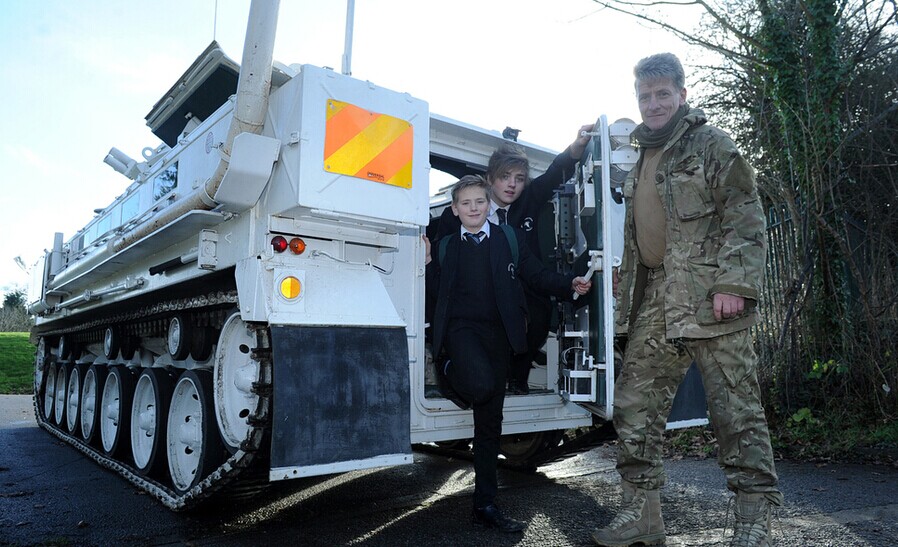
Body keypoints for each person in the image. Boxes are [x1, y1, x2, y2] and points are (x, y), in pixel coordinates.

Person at [591, 53, 783, 547]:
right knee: (633, 403)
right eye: (645, 96)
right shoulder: (643, 155)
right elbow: (647, 230)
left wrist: (734, 284)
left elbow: (745, 212)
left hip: (711, 295)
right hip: (657, 296)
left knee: (735, 408)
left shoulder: (711, 144)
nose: (653, 104)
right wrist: (627, 277)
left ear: (682, 94)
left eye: (662, 94)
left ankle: (754, 522)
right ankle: (643, 514)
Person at [425, 175, 591, 533]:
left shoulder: (509, 239)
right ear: (454, 209)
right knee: (481, 386)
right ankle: (447, 370)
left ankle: (484, 505)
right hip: (461, 332)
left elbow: (535, 274)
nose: (473, 208)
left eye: (479, 202)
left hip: (498, 335)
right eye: (466, 203)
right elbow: (436, 292)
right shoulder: (446, 246)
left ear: (489, 205)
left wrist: (568, 284)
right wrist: (425, 264)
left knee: (489, 425)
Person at [434, 125, 593, 394]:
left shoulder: (528, 200)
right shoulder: (466, 212)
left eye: (519, 178)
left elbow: (554, 172)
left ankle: (517, 376)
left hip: (523, 283)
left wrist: (576, 147)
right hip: (475, 292)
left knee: (538, 314)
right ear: (489, 179)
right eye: (505, 177)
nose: (512, 184)